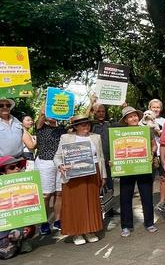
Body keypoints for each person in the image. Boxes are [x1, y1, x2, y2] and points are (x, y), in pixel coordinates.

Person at [53, 115, 106, 245]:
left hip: (92, 173)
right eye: (82, 125)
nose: (86, 127)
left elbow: (101, 157)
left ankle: (89, 230)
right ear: (75, 127)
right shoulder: (66, 138)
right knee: (75, 205)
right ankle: (77, 233)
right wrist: (60, 166)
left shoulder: (95, 137)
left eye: (88, 124)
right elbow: (57, 157)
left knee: (91, 204)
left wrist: (103, 175)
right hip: (73, 176)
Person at [117, 106, 157, 237]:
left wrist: (152, 152)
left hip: (143, 168)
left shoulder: (146, 130)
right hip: (127, 169)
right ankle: (126, 226)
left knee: (146, 196)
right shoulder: (119, 133)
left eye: (135, 116)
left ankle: (149, 223)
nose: (133, 118)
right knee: (125, 198)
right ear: (125, 120)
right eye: (130, 116)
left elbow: (154, 144)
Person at [34, 105, 66, 235]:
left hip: (59, 163)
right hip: (45, 163)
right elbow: (41, 116)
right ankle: (44, 222)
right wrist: (49, 101)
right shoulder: (41, 127)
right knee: (46, 195)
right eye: (49, 112)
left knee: (59, 193)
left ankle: (58, 220)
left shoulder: (62, 129)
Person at [0, 156, 35, 258]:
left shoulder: (27, 183)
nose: (17, 169)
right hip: (3, 230)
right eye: (12, 167)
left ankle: (22, 241)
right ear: (3, 172)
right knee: (7, 255)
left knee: (28, 226)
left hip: (19, 227)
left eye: (19, 166)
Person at [145, 99, 165, 213]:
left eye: (158, 107)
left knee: (163, 178)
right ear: (149, 108)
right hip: (150, 154)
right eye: (153, 107)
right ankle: (148, 203)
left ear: (161, 109)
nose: (155, 109)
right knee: (149, 179)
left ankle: (162, 202)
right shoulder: (143, 121)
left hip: (163, 153)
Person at [88, 96, 114, 192]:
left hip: (108, 160)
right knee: (97, 184)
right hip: (95, 160)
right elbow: (84, 118)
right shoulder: (90, 125)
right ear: (94, 112)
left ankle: (109, 206)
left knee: (109, 184)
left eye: (103, 111)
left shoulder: (109, 124)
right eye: (98, 111)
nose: (101, 113)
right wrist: (91, 103)